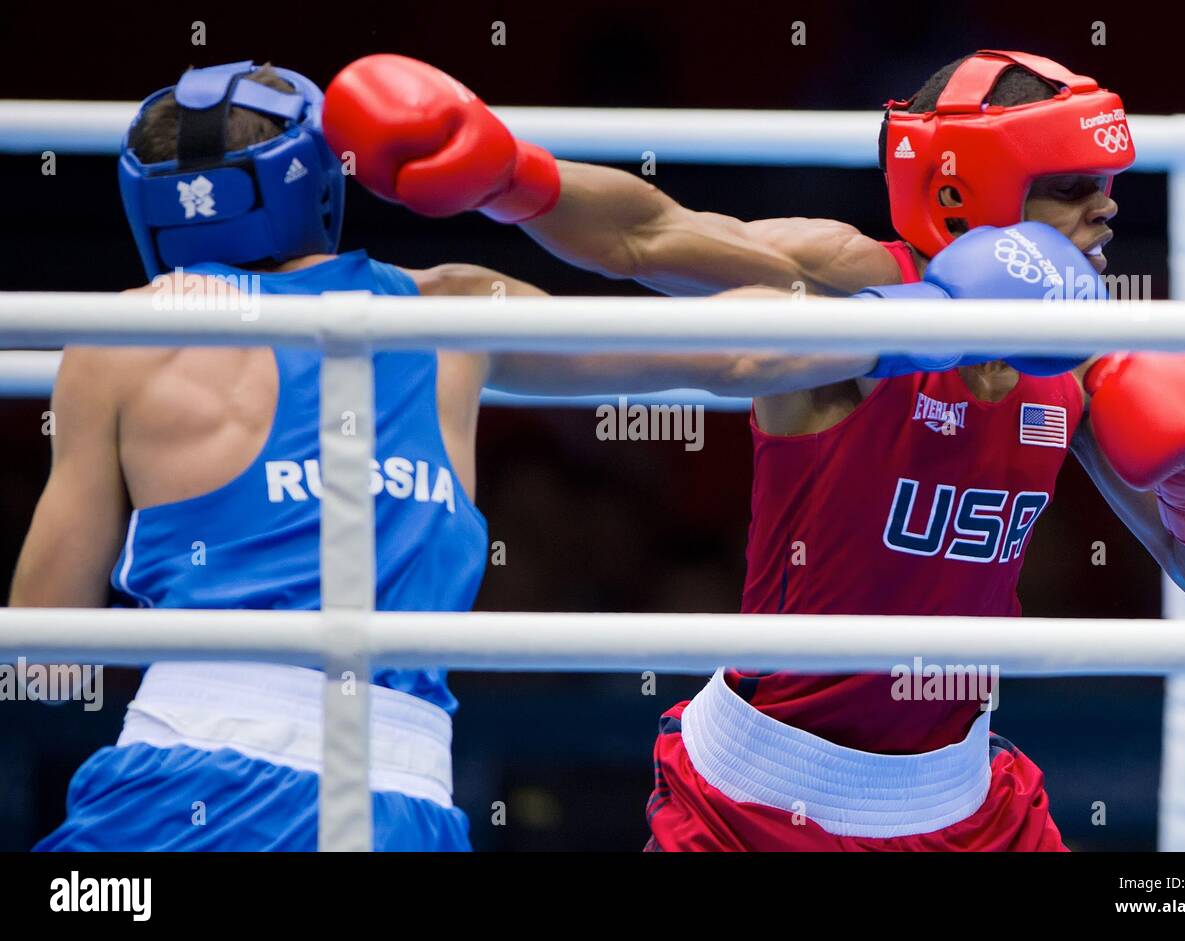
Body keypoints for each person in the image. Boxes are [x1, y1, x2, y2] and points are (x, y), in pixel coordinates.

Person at [322, 50, 1185, 851]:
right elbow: (653, 235)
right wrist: (509, 176)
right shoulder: (848, 281)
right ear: (961, 189)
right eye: (1071, 188)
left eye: (1109, 186)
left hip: (970, 803)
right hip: (759, 801)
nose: (1106, 212)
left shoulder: (1091, 358)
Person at [14, 60, 906, 851]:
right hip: (402, 793)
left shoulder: (118, 339)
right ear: (319, 183)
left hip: (175, 783)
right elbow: (737, 352)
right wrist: (920, 311)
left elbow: (43, 655)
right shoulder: (450, 311)